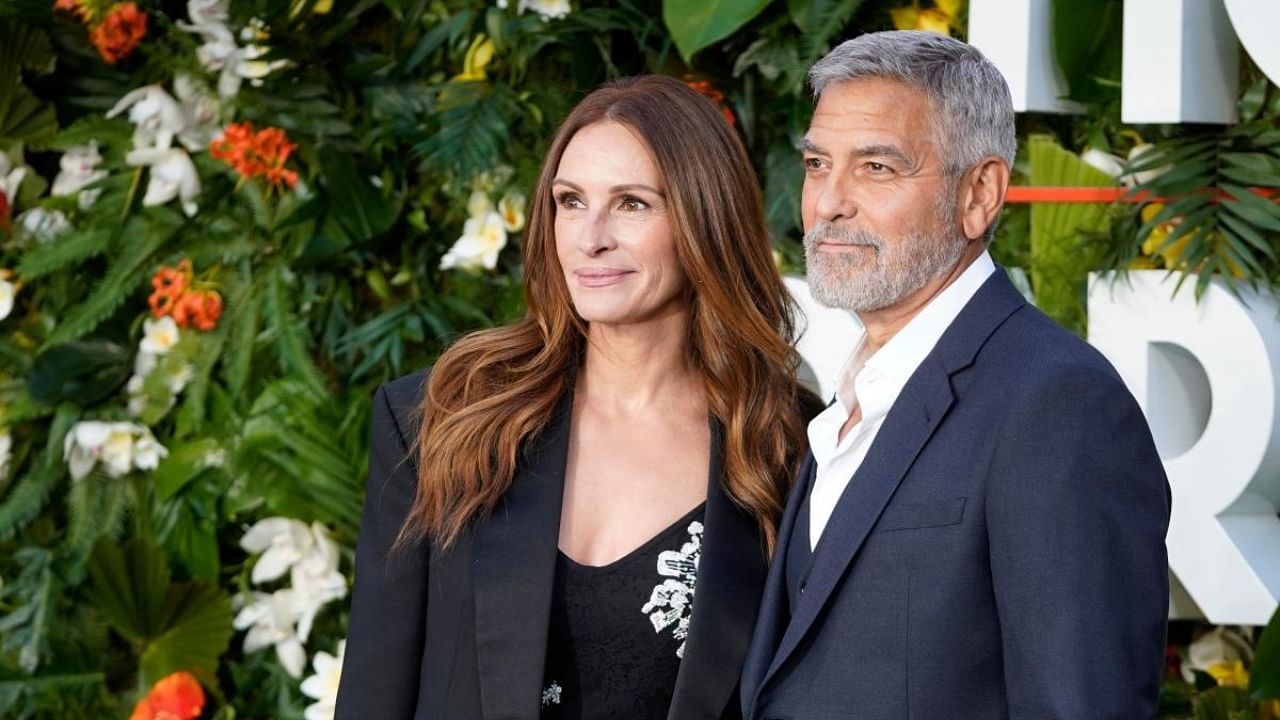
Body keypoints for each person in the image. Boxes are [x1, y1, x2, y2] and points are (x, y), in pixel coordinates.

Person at [335, 74, 816, 720]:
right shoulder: (444, 419)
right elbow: (373, 695)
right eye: (569, 201)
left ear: (706, 218)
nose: (589, 238)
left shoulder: (784, 446)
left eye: (632, 204)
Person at [740, 31, 1171, 720]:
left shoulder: (1057, 404)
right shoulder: (842, 403)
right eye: (819, 164)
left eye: (877, 168)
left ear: (980, 193)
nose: (828, 203)